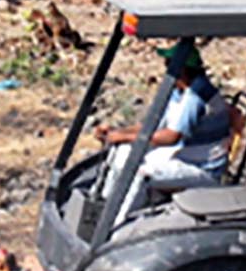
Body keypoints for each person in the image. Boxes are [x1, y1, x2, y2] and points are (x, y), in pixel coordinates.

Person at [94, 44, 232, 226]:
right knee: (123, 151)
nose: (165, 69)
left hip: (202, 167)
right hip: (183, 155)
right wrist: (117, 133)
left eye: (169, 64)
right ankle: (103, 208)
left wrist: (125, 137)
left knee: (140, 173)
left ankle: (116, 227)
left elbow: (171, 136)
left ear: (181, 68)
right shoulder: (178, 91)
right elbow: (152, 125)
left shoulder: (196, 95)